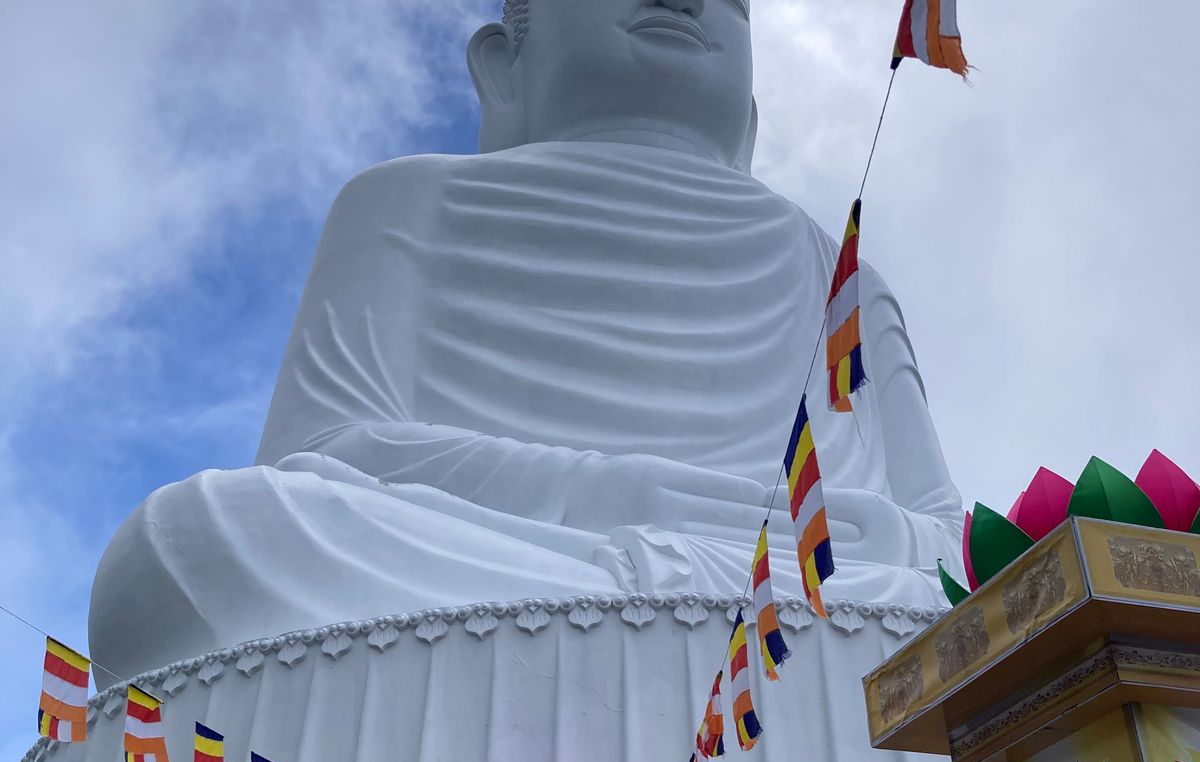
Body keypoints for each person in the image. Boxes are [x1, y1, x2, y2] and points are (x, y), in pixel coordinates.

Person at [89, 0, 962, 685]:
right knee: (189, 542)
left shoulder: (840, 275)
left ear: (752, 105)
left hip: (822, 581)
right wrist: (623, 492)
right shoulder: (405, 200)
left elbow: (944, 538)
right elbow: (318, 454)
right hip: (507, 564)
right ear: (505, 63)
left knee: (973, 596)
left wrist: (861, 538)